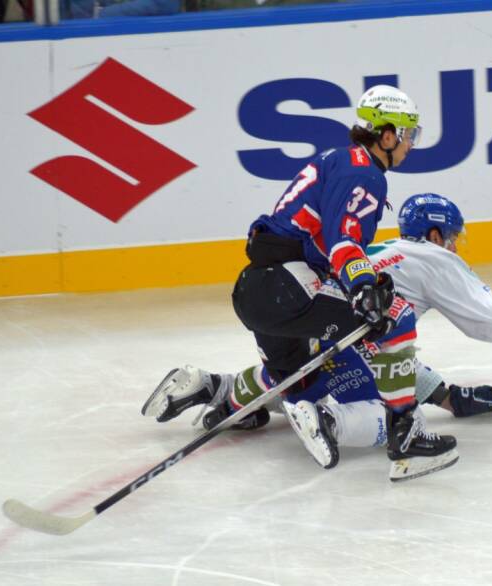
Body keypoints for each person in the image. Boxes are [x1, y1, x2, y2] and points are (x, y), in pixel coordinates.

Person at [142, 193, 492, 473]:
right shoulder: (435, 260)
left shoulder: (376, 253)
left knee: (294, 373)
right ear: (435, 234)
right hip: (347, 344)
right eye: (452, 236)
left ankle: (214, 386)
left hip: (308, 325)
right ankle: (326, 420)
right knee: (401, 418)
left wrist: (447, 395)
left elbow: (386, 355)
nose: (455, 245)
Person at [144, 85, 458, 482]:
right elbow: (343, 240)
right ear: (388, 134)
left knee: (298, 380)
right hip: (290, 287)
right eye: (410, 134)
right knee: (396, 317)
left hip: (253, 291)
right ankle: (406, 437)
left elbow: (322, 242)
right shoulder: (365, 172)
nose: (411, 144)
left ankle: (214, 393)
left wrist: (357, 283)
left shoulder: (336, 160)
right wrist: (363, 288)